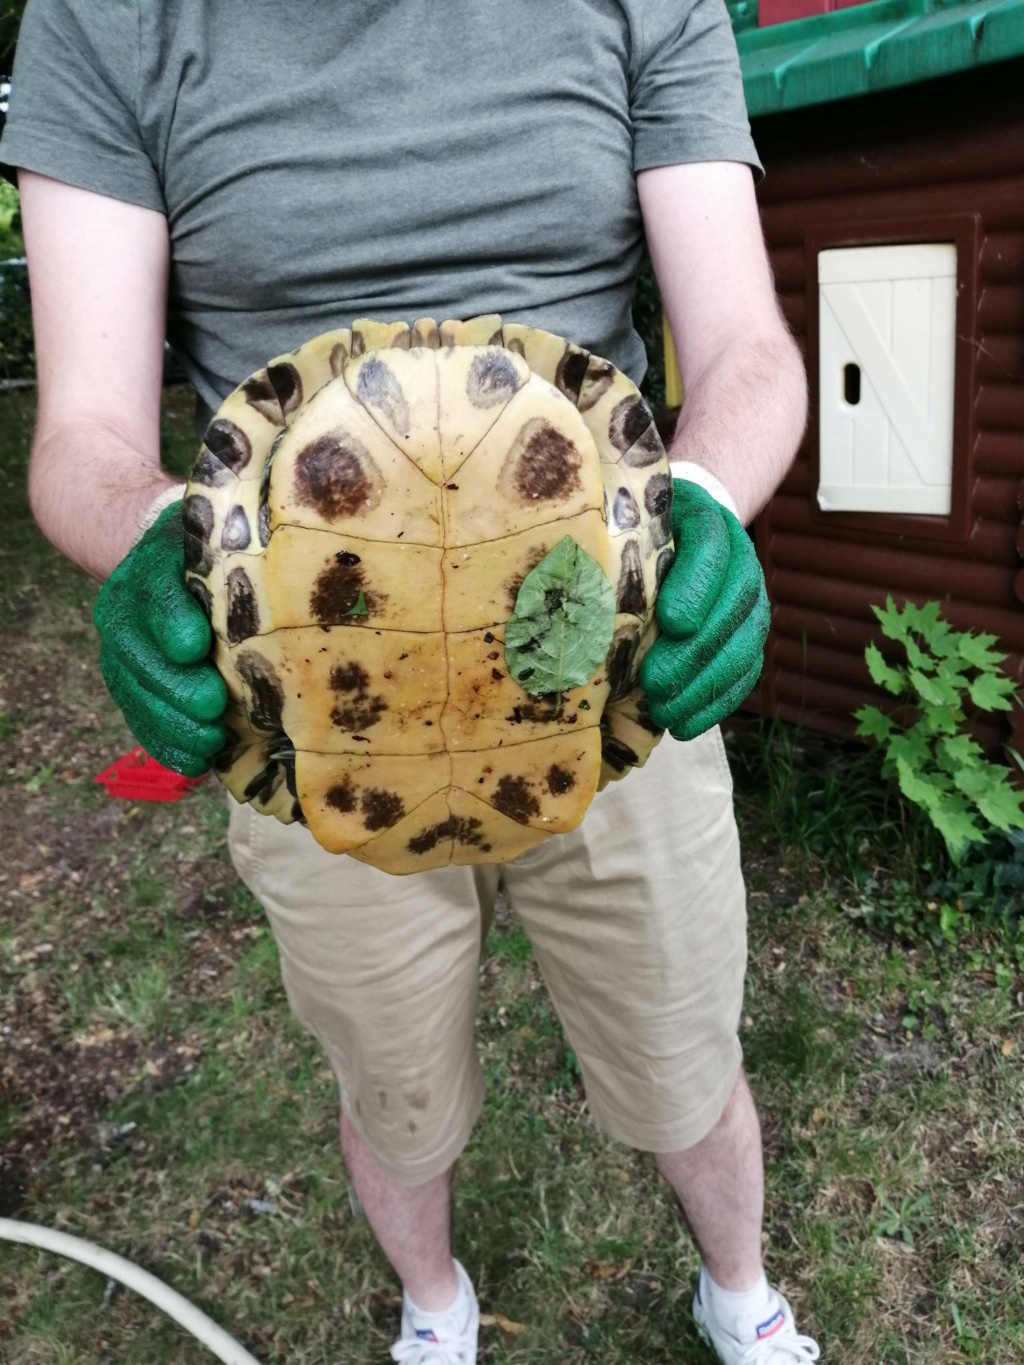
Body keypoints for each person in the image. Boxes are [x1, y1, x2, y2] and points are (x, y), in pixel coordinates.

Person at [2, 1, 813, 1360]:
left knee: (686, 1057)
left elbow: (748, 345)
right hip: (316, 687)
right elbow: (82, 428)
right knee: (393, 1089)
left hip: (603, 651)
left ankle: (741, 1288)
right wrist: (151, 537)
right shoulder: (106, 22)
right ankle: (435, 1308)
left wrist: (715, 496)